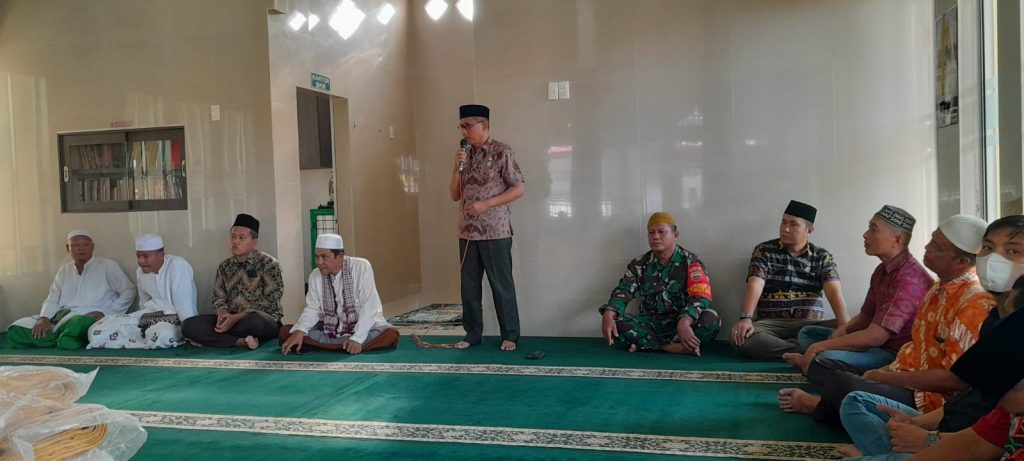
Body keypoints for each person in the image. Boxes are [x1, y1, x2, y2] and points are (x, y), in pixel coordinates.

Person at [778, 215, 995, 429]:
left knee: (840, 380)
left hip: (929, 395)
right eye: (931, 239)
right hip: (902, 368)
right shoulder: (937, 288)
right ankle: (838, 400)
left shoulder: (971, 303)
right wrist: (878, 369)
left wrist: (882, 377)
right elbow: (870, 320)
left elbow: (953, 380)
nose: (926, 247)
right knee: (814, 342)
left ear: (961, 262)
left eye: (936, 246)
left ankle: (819, 405)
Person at [836, 215, 1024, 460]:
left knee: (840, 377)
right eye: (987, 248)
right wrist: (922, 428)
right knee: (853, 398)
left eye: (1013, 251)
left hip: (940, 409)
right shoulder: (990, 314)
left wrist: (928, 439)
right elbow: (984, 417)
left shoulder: (976, 303)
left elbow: (956, 383)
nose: (993, 259)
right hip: (953, 426)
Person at [783, 206, 932, 374]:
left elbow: (876, 337)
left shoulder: (909, 279)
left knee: (824, 357)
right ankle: (816, 363)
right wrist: (844, 330)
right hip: (874, 344)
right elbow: (865, 316)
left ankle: (817, 363)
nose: (865, 234)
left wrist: (819, 347)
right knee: (808, 334)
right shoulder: (882, 270)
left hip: (895, 353)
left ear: (897, 240)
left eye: (873, 229)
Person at [899, 305, 1024, 460]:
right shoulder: (1008, 411)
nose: (998, 400)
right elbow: (976, 441)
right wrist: (919, 427)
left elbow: (952, 380)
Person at [730, 200, 851, 360]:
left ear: (809, 230)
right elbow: (755, 285)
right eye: (784, 222)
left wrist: (845, 326)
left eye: (793, 224)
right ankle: (808, 350)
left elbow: (834, 291)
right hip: (772, 325)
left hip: (809, 325)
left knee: (856, 328)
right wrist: (746, 318)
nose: (785, 229)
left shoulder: (822, 256)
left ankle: (799, 348)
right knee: (741, 337)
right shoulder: (764, 251)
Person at [449, 104, 525, 351]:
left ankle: (510, 335)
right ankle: (472, 333)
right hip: (467, 231)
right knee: (469, 286)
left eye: (468, 126)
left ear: (485, 125)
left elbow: (518, 188)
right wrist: (456, 167)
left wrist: (486, 204)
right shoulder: (464, 154)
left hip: (495, 231)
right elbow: (454, 194)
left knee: (501, 285)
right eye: (461, 127)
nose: (464, 131)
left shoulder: (502, 151)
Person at [599, 212, 719, 356]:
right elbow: (624, 290)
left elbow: (700, 297)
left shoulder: (691, 262)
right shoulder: (639, 264)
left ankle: (645, 344)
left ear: (675, 235)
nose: (655, 236)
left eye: (662, 232)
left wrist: (685, 321)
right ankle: (669, 347)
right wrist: (609, 313)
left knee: (711, 319)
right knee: (616, 321)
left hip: (682, 322)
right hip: (651, 324)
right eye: (651, 233)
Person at [6, 230, 135, 349]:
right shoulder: (64, 270)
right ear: (68, 248)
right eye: (76, 245)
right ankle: (62, 339)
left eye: (85, 245)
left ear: (92, 247)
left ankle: (56, 338)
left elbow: (129, 291)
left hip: (87, 317)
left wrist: (107, 313)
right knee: (16, 329)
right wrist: (44, 318)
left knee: (79, 323)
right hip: (61, 317)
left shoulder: (107, 266)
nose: (81, 249)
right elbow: (52, 298)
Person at [280, 233, 399, 355]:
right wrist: (300, 331)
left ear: (340, 256)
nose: (319, 262)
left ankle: (335, 345)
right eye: (317, 257)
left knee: (390, 333)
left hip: (365, 327)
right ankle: (345, 346)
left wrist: (357, 338)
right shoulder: (315, 275)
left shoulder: (361, 267)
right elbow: (312, 309)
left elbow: (370, 306)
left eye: (324, 256)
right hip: (330, 328)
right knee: (286, 331)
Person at [182, 214, 283, 349]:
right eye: (232, 237)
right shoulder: (224, 267)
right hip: (232, 319)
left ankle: (225, 337)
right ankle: (240, 341)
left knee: (256, 322)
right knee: (188, 326)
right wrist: (223, 314)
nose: (235, 241)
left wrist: (238, 318)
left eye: (241, 238)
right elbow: (218, 299)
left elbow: (271, 303)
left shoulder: (269, 264)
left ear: (254, 242)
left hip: (259, 320)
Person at [87, 234, 197, 349]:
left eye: (145, 256)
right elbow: (143, 304)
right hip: (148, 317)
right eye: (138, 256)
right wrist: (140, 321)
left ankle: (141, 337)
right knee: (97, 330)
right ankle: (142, 337)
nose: (141, 261)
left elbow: (184, 305)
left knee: (163, 335)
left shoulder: (178, 266)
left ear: (161, 255)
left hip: (175, 321)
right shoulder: (140, 272)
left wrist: (191, 332)